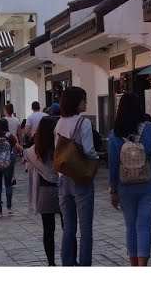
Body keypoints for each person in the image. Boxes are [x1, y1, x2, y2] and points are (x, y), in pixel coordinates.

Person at [107, 92, 151, 266]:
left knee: (130, 227)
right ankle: (142, 266)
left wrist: (113, 190)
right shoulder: (150, 129)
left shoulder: (115, 133)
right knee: (144, 226)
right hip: (149, 183)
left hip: (125, 186)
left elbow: (112, 164)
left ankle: (133, 265)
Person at [54, 85, 98, 266]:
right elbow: (88, 150)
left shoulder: (59, 123)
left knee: (69, 227)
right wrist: (96, 159)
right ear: (76, 102)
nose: (86, 102)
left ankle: (68, 263)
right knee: (86, 228)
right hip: (81, 178)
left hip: (63, 178)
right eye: (84, 99)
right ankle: (85, 264)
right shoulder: (83, 122)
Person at [24, 113, 63, 265]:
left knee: (48, 230)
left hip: (45, 193)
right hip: (62, 190)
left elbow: (24, 153)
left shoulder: (36, 149)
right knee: (69, 228)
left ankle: (51, 263)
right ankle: (71, 259)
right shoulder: (60, 146)